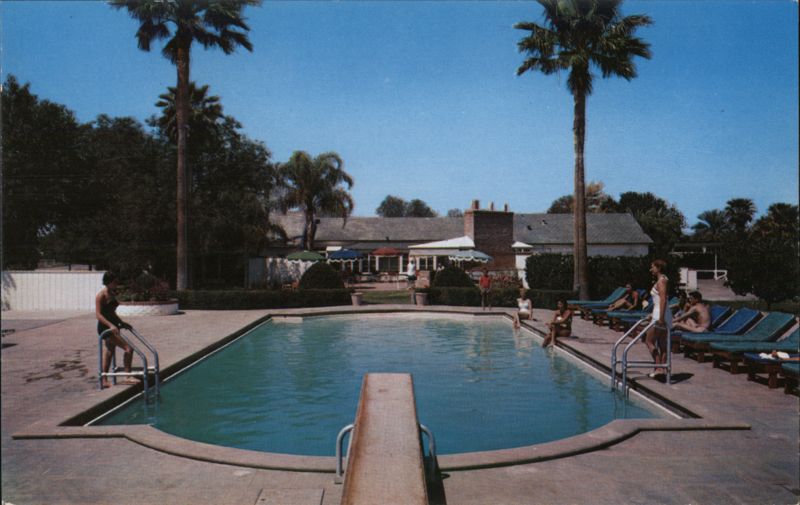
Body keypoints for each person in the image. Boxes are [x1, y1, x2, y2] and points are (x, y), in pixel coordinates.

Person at [96, 272, 138, 388]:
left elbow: (112, 313)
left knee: (109, 352)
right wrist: (111, 325)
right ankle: (127, 376)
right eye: (115, 282)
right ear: (108, 282)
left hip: (113, 326)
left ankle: (104, 380)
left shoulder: (112, 293)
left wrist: (121, 323)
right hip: (105, 328)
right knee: (128, 348)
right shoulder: (101, 296)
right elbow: (98, 315)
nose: (117, 284)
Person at [644, 259, 672, 378]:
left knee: (648, 341)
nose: (651, 269)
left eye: (653, 267)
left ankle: (659, 367)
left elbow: (663, 299)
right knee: (661, 343)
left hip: (660, 314)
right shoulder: (664, 279)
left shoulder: (661, 281)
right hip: (662, 312)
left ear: (658, 268)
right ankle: (662, 369)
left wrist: (660, 318)